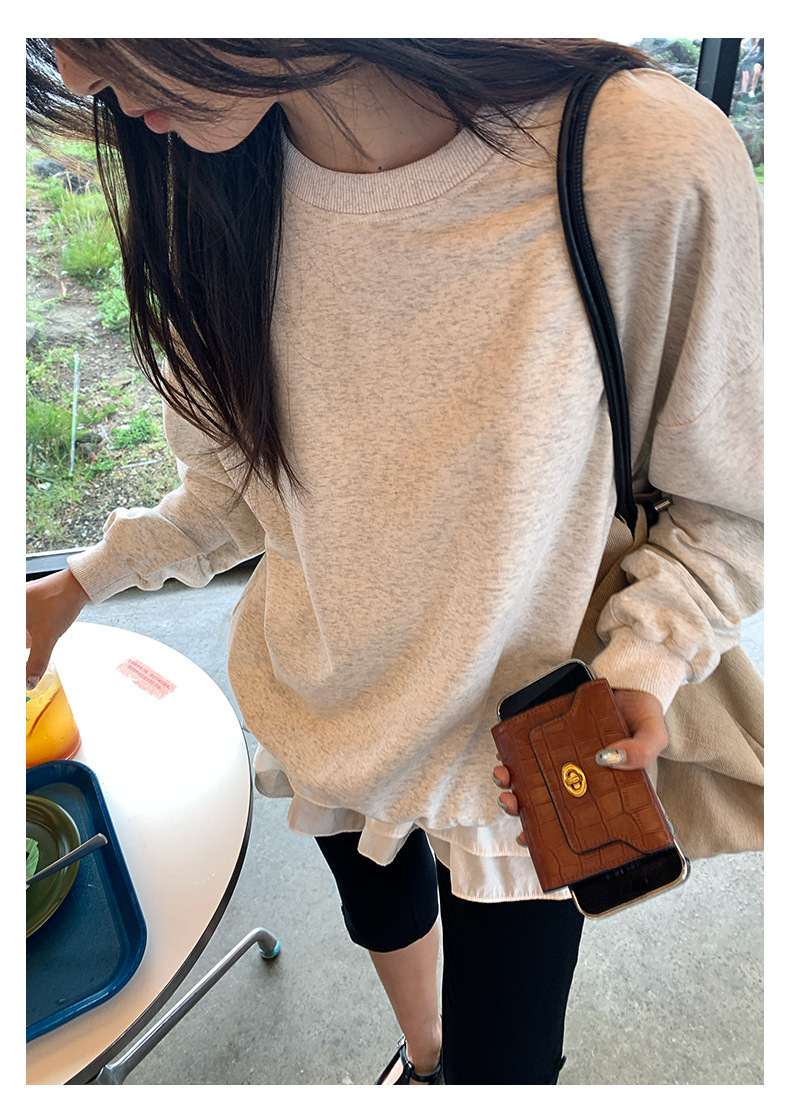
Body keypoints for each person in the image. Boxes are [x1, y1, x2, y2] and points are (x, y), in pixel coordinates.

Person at [25, 39, 763, 1086]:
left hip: (524, 760)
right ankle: (420, 1057)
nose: (75, 73)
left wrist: (647, 658)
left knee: (507, 1068)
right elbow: (234, 493)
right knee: (380, 912)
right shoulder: (204, 178)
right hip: (324, 708)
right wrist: (72, 587)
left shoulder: (636, 157)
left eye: (94, 23)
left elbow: (733, 504)